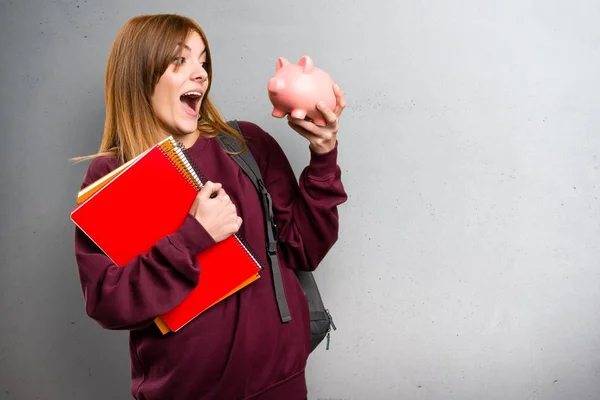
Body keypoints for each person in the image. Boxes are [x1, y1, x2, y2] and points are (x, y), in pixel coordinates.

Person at [73, 13, 347, 400]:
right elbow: (108, 303)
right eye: (179, 60)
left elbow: (305, 247)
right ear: (140, 75)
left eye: (203, 60)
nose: (200, 73)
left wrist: (323, 154)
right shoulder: (113, 176)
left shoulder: (245, 144)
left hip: (281, 385)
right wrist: (193, 237)